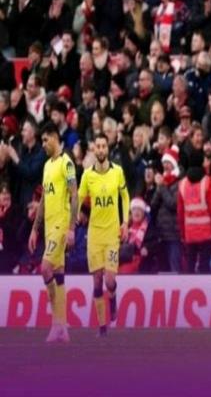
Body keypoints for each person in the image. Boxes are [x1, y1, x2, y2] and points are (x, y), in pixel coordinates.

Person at [28, 122, 78, 342]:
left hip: (61, 225)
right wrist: (34, 229)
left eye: (45, 140)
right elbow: (43, 200)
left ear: (55, 137)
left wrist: (71, 228)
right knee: (58, 275)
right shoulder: (47, 166)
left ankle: (57, 323)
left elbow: (75, 195)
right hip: (49, 227)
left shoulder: (67, 163)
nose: (43, 144)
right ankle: (61, 327)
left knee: (45, 268)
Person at [78, 133, 130, 336]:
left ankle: (113, 297)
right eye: (97, 146)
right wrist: (72, 219)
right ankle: (102, 326)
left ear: (107, 149)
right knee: (97, 281)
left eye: (103, 146)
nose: (100, 149)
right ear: (94, 150)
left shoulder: (117, 172)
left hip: (111, 234)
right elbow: (79, 198)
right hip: (94, 235)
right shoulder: (87, 175)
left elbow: (125, 196)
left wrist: (125, 222)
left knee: (109, 280)